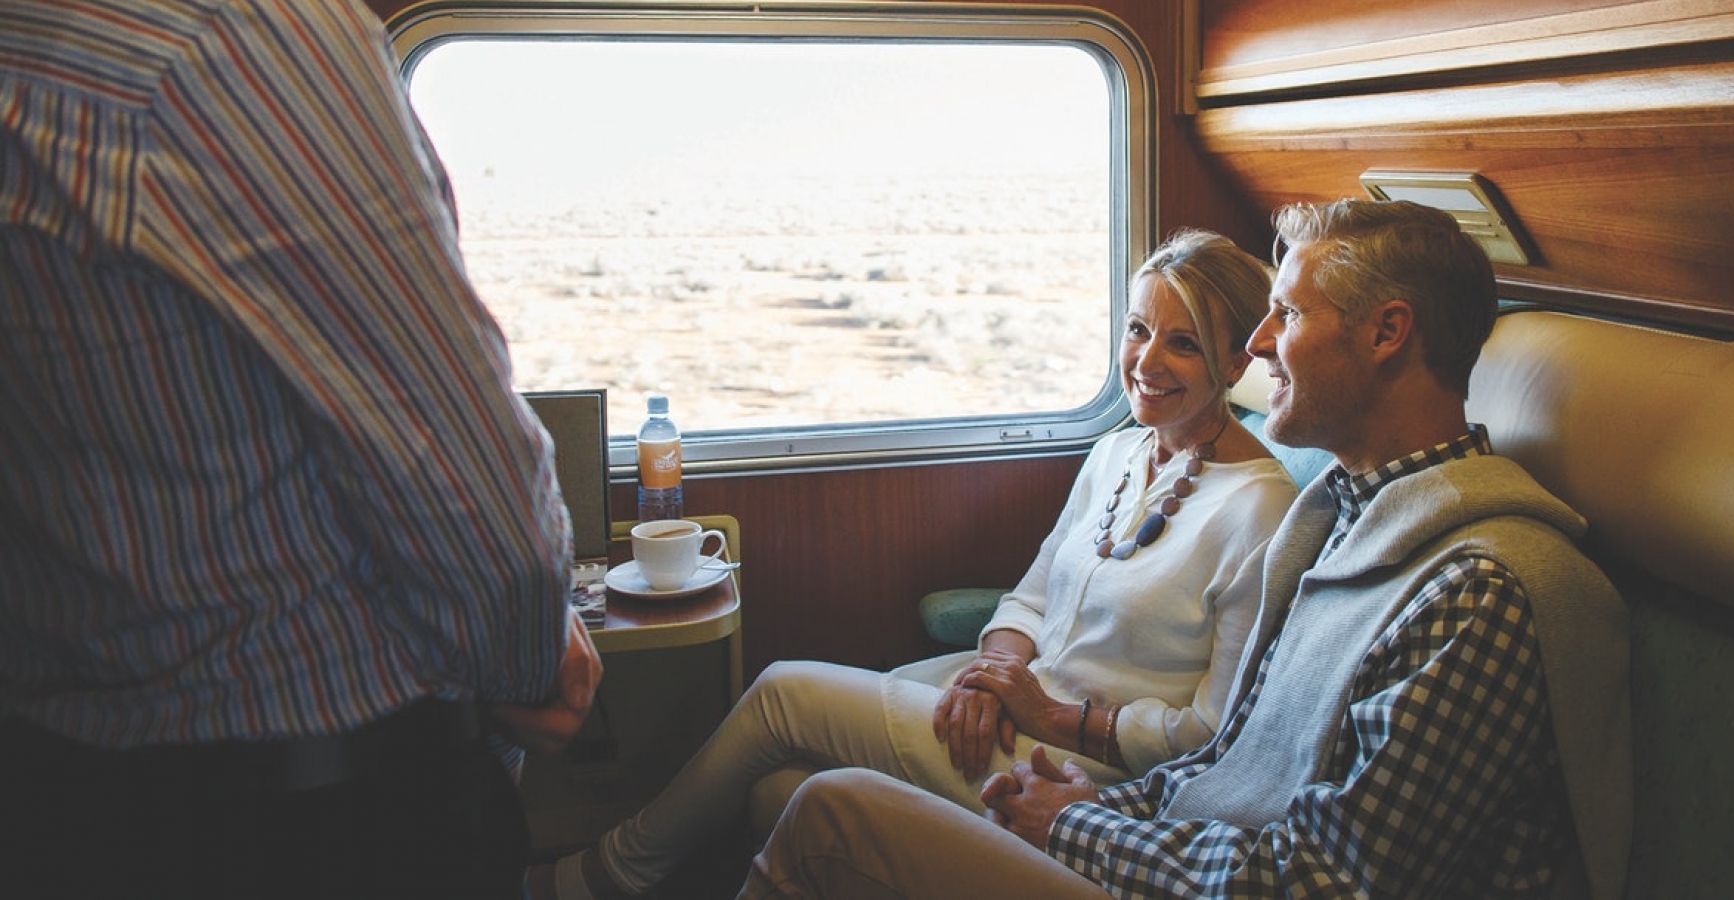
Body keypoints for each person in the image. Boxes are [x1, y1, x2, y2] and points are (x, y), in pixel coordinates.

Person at [738, 199, 1633, 900]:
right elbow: (1230, 767)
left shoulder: (1478, 595)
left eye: (1284, 314)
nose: (1256, 345)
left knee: (829, 813)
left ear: (1386, 333)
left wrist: (1080, 827)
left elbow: (1325, 885)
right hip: (1183, 850)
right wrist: (1091, 805)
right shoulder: (1346, 517)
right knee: (792, 800)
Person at [0, 2, 602, 898]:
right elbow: (481, 510)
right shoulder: (233, 36)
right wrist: (526, 660)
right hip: (330, 821)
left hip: (69, 801)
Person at [533, 229, 1299, 899]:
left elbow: (1210, 734)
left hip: (1078, 768)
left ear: (1237, 361)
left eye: (1184, 342)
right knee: (777, 792)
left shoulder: (1258, 509)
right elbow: (1031, 597)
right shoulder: (1118, 451)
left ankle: (604, 876)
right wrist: (988, 677)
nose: (1147, 360)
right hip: (1012, 700)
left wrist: (1047, 715)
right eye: (1138, 330)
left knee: (783, 694)